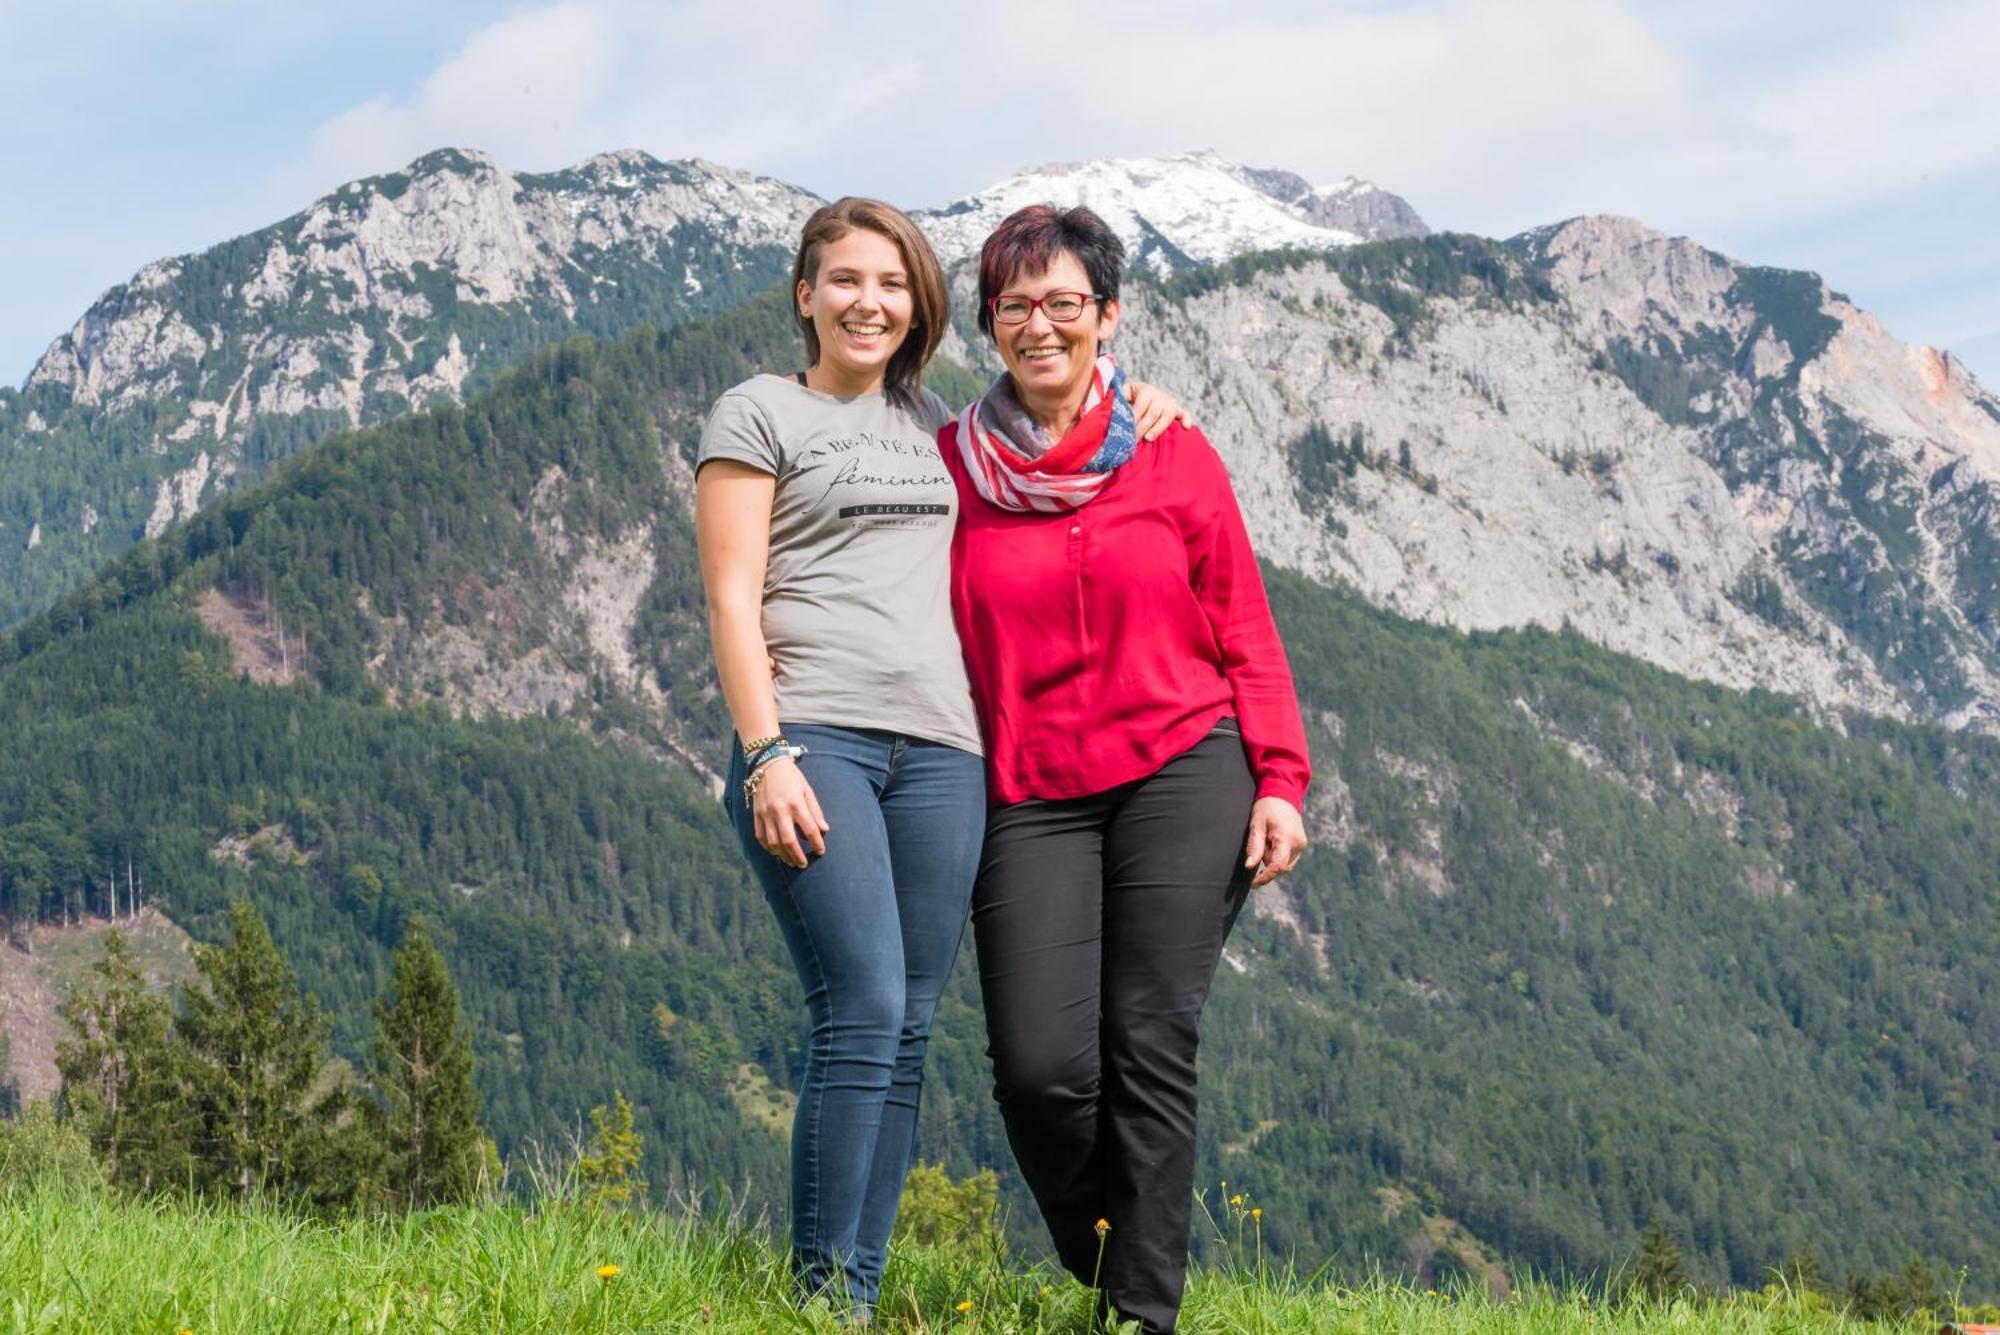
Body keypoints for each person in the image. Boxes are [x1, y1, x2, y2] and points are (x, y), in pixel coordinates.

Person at [693, 196, 1187, 1318]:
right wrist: (765, 752)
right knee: (859, 1006)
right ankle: (822, 1298)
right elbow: (729, 598)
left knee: (908, 1027)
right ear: (803, 295)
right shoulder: (758, 411)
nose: (868, 301)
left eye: (892, 282)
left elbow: (1060, 444)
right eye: (845, 279)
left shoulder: (941, 434)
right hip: (814, 735)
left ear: (915, 305)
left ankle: (856, 1288)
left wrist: (1141, 398)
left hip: (945, 755)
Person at [939, 203, 1312, 1335]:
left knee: (1148, 1039)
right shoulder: (949, 469)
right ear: (990, 325)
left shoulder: (1170, 449)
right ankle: (1115, 1267)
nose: (1039, 326)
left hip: (1182, 767)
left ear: (1106, 316)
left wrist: (1282, 778)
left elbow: (1241, 622)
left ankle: (1138, 1318)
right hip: (1030, 789)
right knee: (1039, 1069)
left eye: (1063, 303)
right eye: (1015, 306)